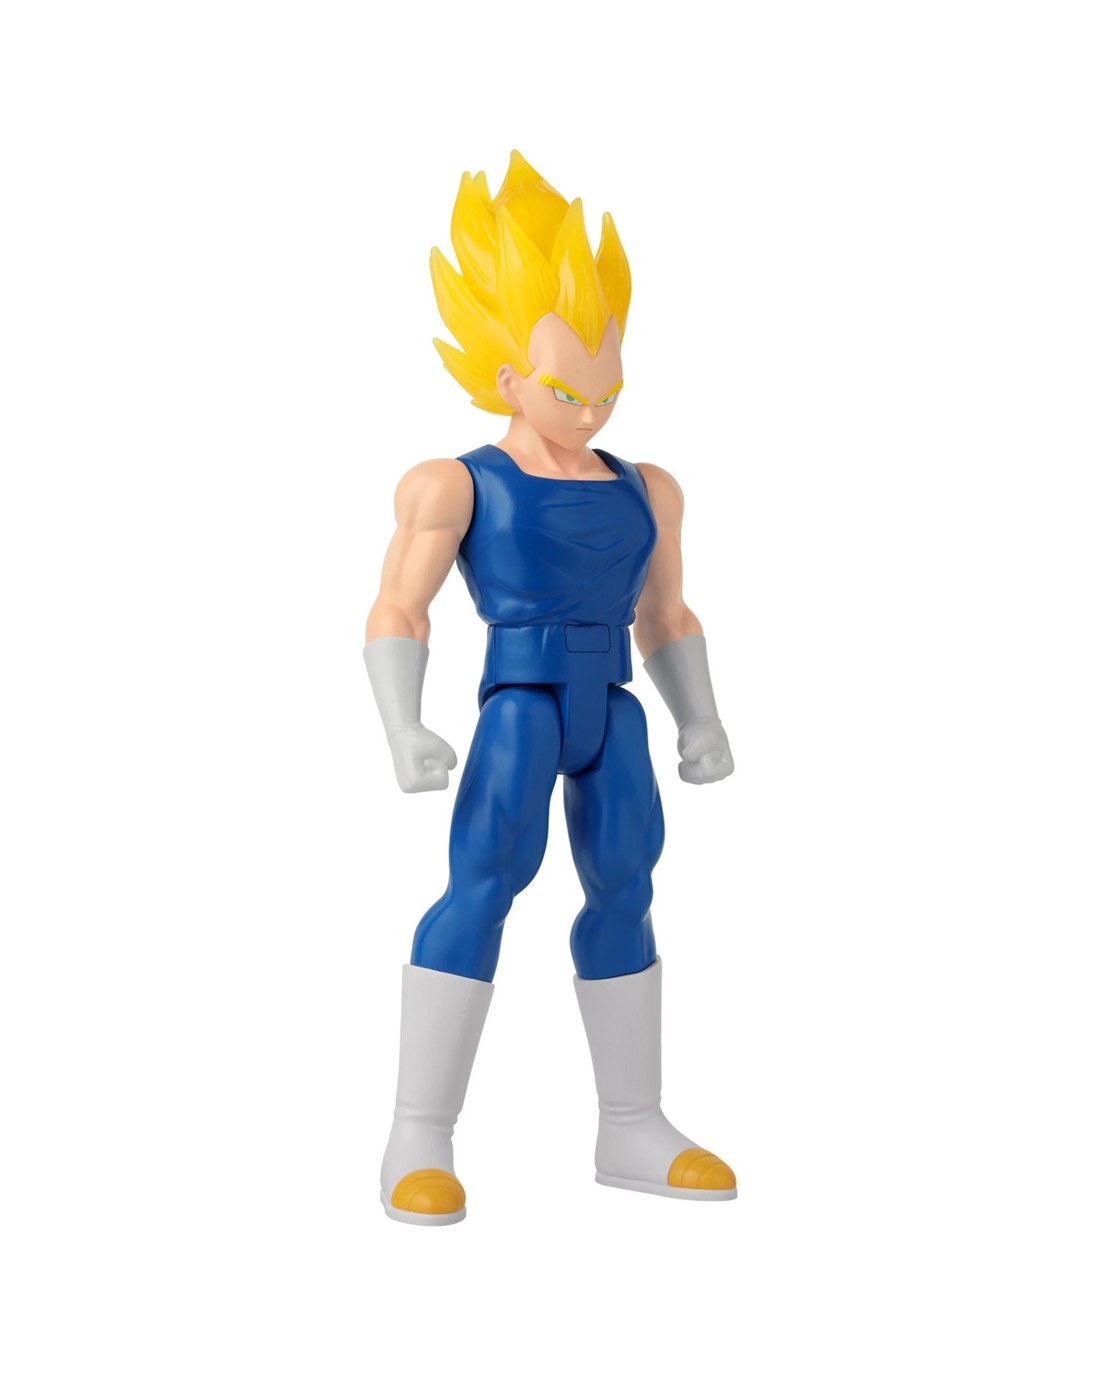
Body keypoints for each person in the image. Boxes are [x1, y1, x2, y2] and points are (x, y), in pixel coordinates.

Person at [365, 152, 737, 1225]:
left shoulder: (646, 486)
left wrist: (701, 716)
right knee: (483, 884)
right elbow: (398, 607)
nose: (595, 407)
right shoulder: (455, 483)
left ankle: (632, 1122)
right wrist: (402, 724)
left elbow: (666, 611)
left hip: (611, 707)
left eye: (611, 383)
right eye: (571, 390)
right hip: (520, 704)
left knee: (626, 885)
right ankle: (417, 1131)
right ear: (504, 381)